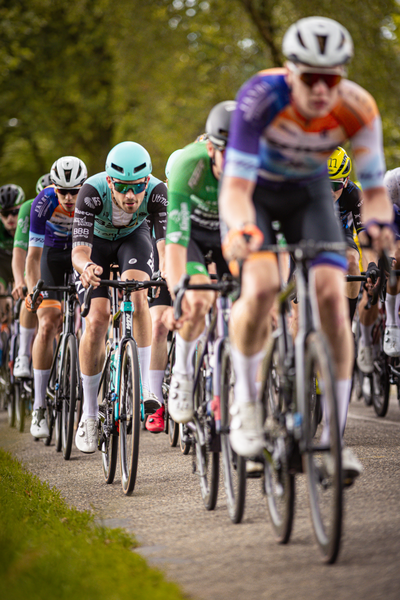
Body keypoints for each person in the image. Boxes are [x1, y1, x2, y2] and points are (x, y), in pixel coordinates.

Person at [218, 16, 394, 482]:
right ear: (290, 71)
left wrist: (378, 223)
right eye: (310, 78)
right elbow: (233, 188)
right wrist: (240, 230)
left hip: (312, 193)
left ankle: (335, 440)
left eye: (331, 78)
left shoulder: (358, 107)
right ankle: (247, 406)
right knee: (261, 287)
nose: (320, 90)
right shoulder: (259, 98)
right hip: (255, 192)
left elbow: (374, 190)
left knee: (334, 299)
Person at [72, 141, 168, 452]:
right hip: (96, 245)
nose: (131, 196)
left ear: (147, 181)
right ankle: (88, 414)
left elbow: (164, 245)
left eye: (137, 187)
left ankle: (142, 388)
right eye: (124, 187)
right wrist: (85, 267)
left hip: (133, 240)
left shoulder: (157, 192)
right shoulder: (91, 191)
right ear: (111, 181)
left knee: (138, 295)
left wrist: (164, 273)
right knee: (97, 319)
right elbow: (79, 250)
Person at [162, 101, 235, 424]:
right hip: (192, 234)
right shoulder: (187, 166)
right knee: (199, 299)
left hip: (230, 234)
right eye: (225, 156)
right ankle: (182, 373)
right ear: (210, 149)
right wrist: (180, 295)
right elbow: (174, 245)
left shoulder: (255, 166)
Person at [26, 157, 88, 439]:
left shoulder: (91, 200)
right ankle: (39, 405)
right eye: (62, 191)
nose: (69, 197)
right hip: (50, 256)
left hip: (79, 255)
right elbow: (32, 258)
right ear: (54, 188)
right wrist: (31, 289)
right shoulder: (43, 203)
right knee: (48, 321)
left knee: (92, 316)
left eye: (75, 191)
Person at [12, 174, 52, 378]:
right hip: (35, 254)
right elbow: (20, 251)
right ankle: (22, 354)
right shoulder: (29, 209)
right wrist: (20, 280)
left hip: (58, 254)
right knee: (32, 294)